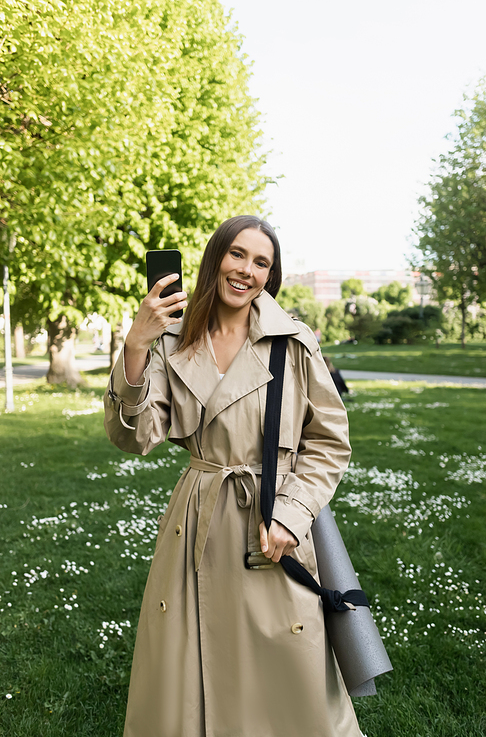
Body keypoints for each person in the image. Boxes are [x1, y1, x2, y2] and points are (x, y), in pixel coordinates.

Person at [104, 215, 363, 737]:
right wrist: (135, 344)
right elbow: (135, 436)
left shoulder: (293, 343)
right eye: (237, 254)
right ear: (215, 258)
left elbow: (329, 443)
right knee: (187, 669)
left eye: (261, 261)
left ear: (273, 274)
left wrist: (290, 517)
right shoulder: (172, 339)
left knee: (290, 668)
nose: (246, 270)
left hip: (271, 522)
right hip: (196, 522)